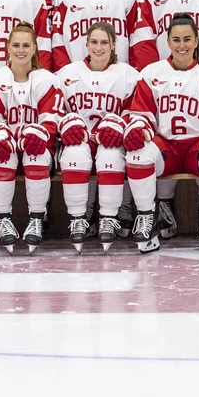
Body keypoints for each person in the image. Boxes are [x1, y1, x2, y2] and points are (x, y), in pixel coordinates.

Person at [125, 15, 199, 252]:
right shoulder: (151, 73)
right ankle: (147, 217)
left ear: (196, 41)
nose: (181, 45)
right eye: (176, 40)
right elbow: (141, 112)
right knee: (137, 153)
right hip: (167, 147)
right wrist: (140, 129)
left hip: (198, 146)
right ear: (168, 42)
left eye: (187, 39)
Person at [54, 23, 144, 252]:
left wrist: (119, 124)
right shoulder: (67, 74)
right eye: (94, 42)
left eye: (104, 42)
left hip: (112, 142)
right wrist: (67, 123)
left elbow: (136, 112)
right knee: (74, 153)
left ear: (114, 45)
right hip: (79, 140)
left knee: (111, 155)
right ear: (86, 44)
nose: (99, 47)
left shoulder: (128, 75)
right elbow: (55, 111)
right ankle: (78, 217)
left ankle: (108, 217)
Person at [0, 22, 63, 254]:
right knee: (2, 154)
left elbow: (51, 119)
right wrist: (0, 136)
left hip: (38, 148)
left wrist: (38, 134)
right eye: (16, 45)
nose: (21, 50)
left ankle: (37, 217)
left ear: (35, 48)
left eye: (26, 45)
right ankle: (3, 219)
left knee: (36, 153)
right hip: (5, 147)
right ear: (7, 48)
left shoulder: (47, 80)